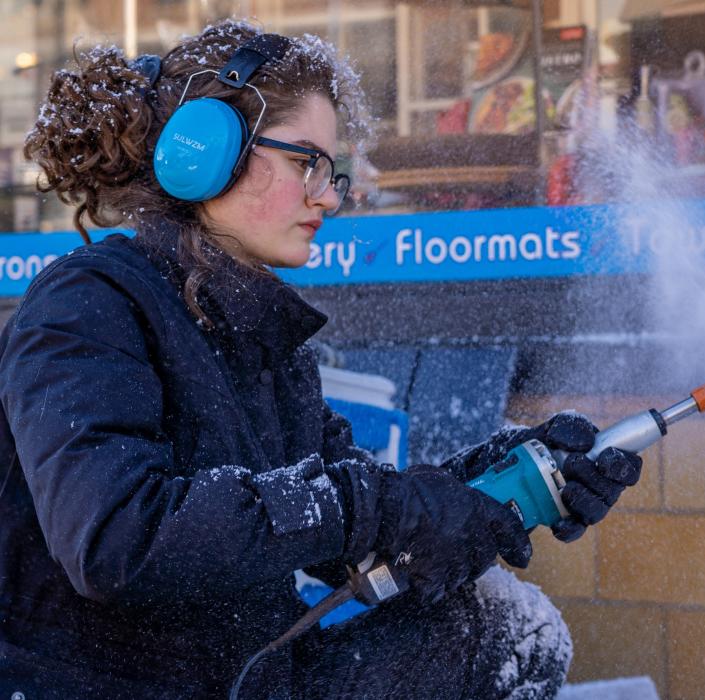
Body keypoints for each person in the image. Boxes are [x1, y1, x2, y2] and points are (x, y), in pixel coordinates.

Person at [0, 20, 642, 699]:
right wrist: (378, 508)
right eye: (306, 162)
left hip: (248, 680)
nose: (329, 196)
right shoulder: (86, 307)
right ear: (206, 153)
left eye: (331, 172)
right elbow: (115, 539)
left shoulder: (263, 339)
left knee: (501, 626)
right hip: (96, 686)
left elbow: (353, 529)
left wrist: (493, 483)